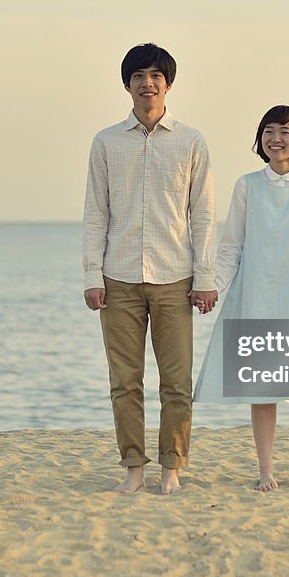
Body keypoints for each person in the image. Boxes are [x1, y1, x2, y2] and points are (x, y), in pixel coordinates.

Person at [83, 43, 218, 495]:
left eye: (156, 76)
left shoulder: (191, 141)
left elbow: (202, 214)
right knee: (125, 382)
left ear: (168, 84)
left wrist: (205, 278)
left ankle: (172, 468)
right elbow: (95, 213)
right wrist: (91, 276)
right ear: (127, 84)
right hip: (117, 277)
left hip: (175, 278)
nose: (148, 83)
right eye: (139, 76)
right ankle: (133, 468)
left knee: (176, 382)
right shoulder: (106, 142)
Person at [193, 105, 289, 490]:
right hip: (258, 295)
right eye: (269, 131)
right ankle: (265, 471)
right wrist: (211, 287)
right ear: (261, 138)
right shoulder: (247, 185)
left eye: (285, 131)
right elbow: (232, 247)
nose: (276, 139)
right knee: (263, 388)